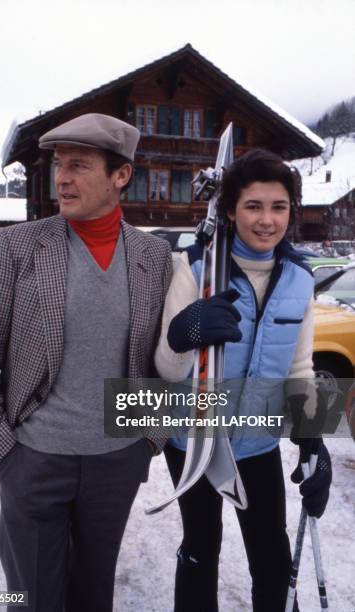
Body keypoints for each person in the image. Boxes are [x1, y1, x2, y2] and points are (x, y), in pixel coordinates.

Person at [0, 113, 172, 612]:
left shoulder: (153, 256)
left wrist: (148, 441)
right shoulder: (19, 247)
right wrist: (5, 453)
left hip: (116, 464)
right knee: (32, 599)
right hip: (33, 460)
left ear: (121, 175)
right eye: (59, 165)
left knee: (93, 596)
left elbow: (161, 362)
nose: (63, 179)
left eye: (79, 165)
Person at [154, 149, 332, 612]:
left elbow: (298, 368)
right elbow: (166, 371)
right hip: (194, 441)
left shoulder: (298, 277)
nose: (267, 220)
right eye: (254, 206)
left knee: (271, 558)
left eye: (279, 206)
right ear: (231, 210)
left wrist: (312, 438)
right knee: (201, 549)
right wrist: (184, 334)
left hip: (257, 443)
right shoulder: (195, 268)